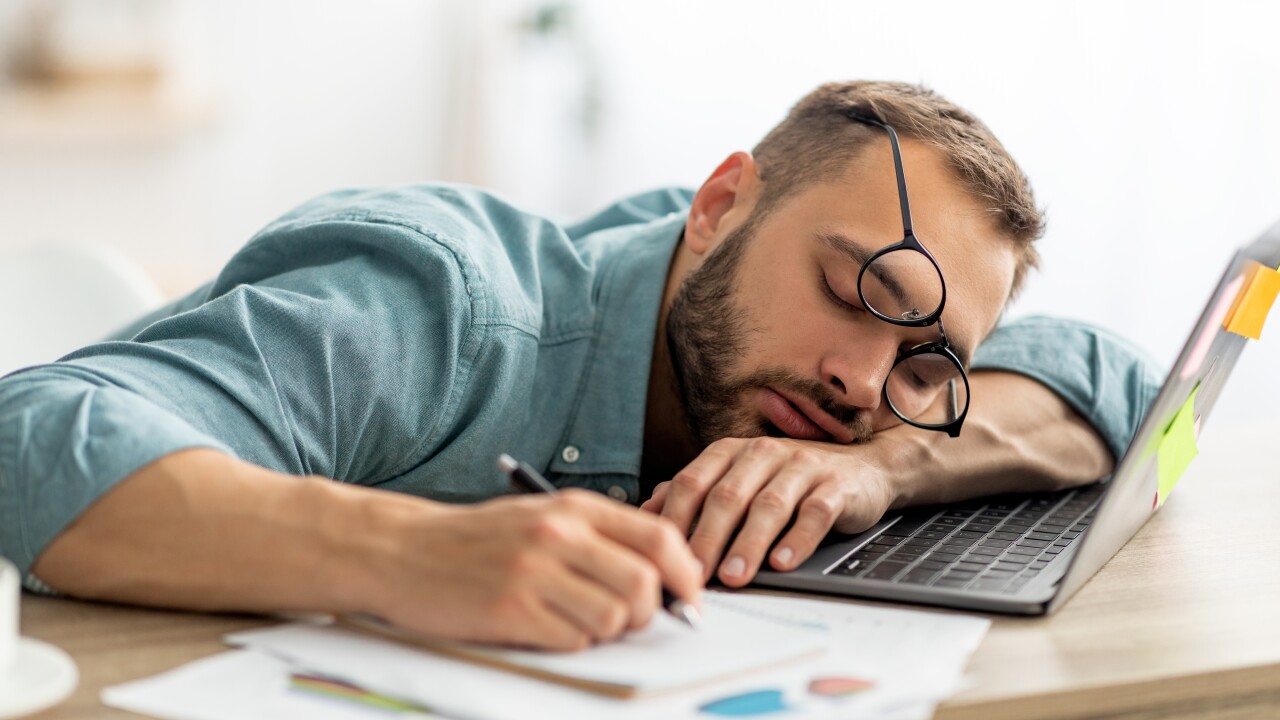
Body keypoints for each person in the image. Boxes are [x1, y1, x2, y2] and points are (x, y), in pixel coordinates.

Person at [0, 81, 1160, 651]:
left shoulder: (863, 398)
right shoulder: (442, 304)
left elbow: (1114, 377)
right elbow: (30, 435)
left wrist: (889, 469)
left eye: (923, 359)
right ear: (715, 208)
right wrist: (410, 554)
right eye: (855, 290)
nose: (862, 380)